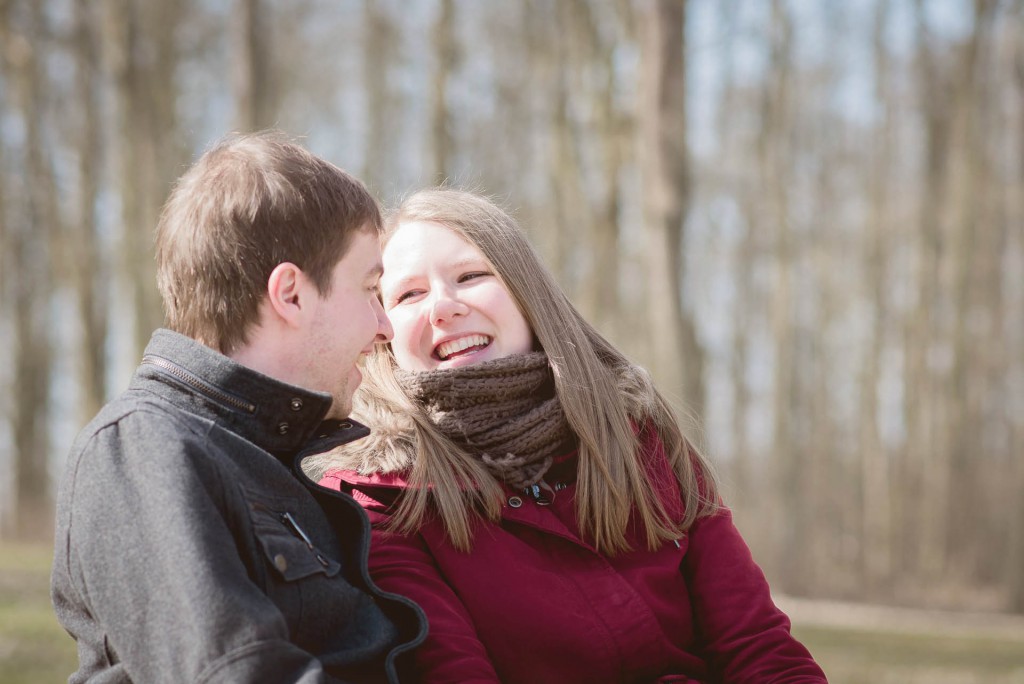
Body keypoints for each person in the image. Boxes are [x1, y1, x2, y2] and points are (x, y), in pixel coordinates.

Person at [307, 188, 828, 683]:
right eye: (409, 294)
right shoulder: (381, 502)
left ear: (527, 293)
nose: (444, 306)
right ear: (382, 333)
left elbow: (759, 648)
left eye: (469, 275)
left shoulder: (639, 437)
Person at [51, 131, 426, 684]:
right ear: (291, 294)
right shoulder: (144, 447)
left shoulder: (266, 457)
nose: (384, 326)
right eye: (371, 290)